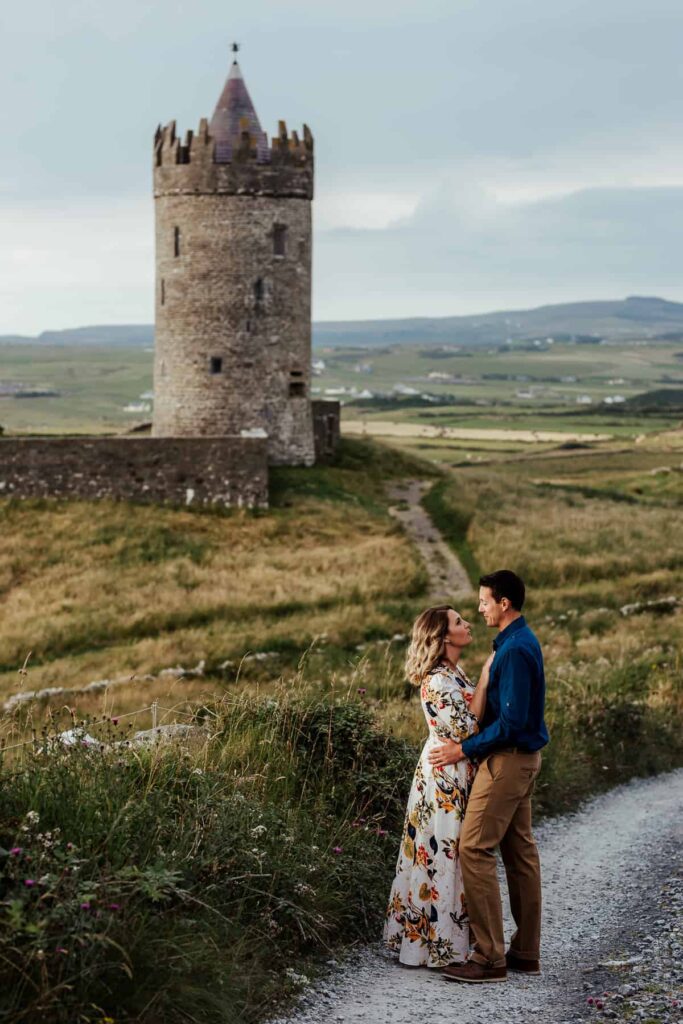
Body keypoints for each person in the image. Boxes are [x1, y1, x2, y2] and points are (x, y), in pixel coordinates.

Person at [428, 570, 549, 984]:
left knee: (474, 848)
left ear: (504, 603)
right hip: (523, 760)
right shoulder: (516, 641)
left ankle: (488, 957)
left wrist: (462, 749)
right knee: (519, 853)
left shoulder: (513, 649)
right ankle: (525, 954)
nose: (479, 608)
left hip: (508, 762)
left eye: (484, 601)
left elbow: (512, 723)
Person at [383, 605, 492, 968]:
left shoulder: (454, 672)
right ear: (444, 637)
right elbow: (467, 728)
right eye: (459, 621)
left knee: (452, 853)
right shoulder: (437, 681)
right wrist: (486, 679)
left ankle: (450, 940)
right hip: (444, 777)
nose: (468, 624)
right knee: (443, 852)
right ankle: (438, 945)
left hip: (456, 769)